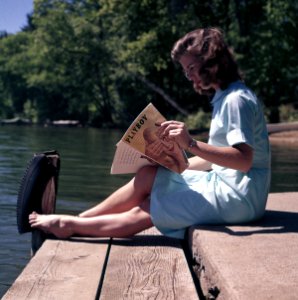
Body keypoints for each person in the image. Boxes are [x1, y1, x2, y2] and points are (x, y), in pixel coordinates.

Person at [29, 27, 271, 239]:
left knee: (152, 206)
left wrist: (190, 144)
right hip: (228, 185)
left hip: (241, 198)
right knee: (148, 174)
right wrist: (176, 164)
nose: (189, 77)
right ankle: (81, 218)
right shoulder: (224, 96)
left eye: (192, 68)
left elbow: (243, 160)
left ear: (212, 61)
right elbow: (216, 157)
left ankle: (70, 225)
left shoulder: (236, 100)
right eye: (186, 71)